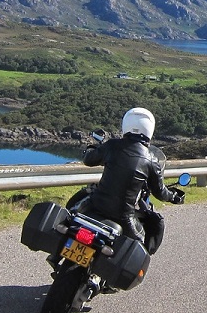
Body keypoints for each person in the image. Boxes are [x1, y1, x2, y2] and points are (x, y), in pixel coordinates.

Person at [79, 107, 184, 255]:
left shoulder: (111, 146)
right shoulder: (151, 160)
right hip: (124, 218)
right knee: (141, 247)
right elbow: (160, 192)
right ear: (149, 129)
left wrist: (92, 147)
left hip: (95, 206)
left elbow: (88, 160)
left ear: (126, 124)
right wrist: (173, 196)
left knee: (74, 216)